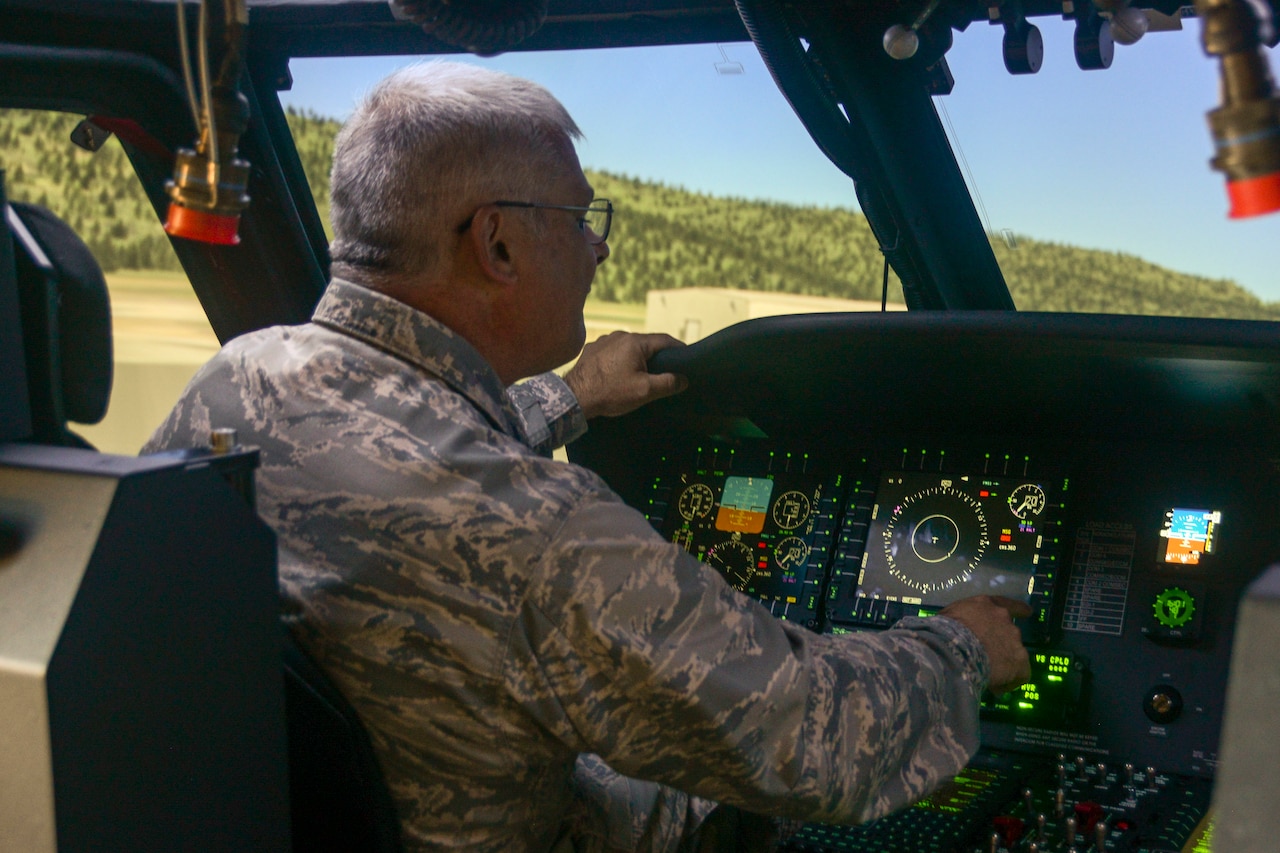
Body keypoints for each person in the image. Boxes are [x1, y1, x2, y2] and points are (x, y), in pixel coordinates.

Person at [144, 61, 1030, 852]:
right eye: (579, 217)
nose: (598, 244)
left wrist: (568, 395)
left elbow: (402, 449)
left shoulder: (241, 378)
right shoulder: (544, 531)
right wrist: (959, 646)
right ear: (497, 242)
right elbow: (812, 737)